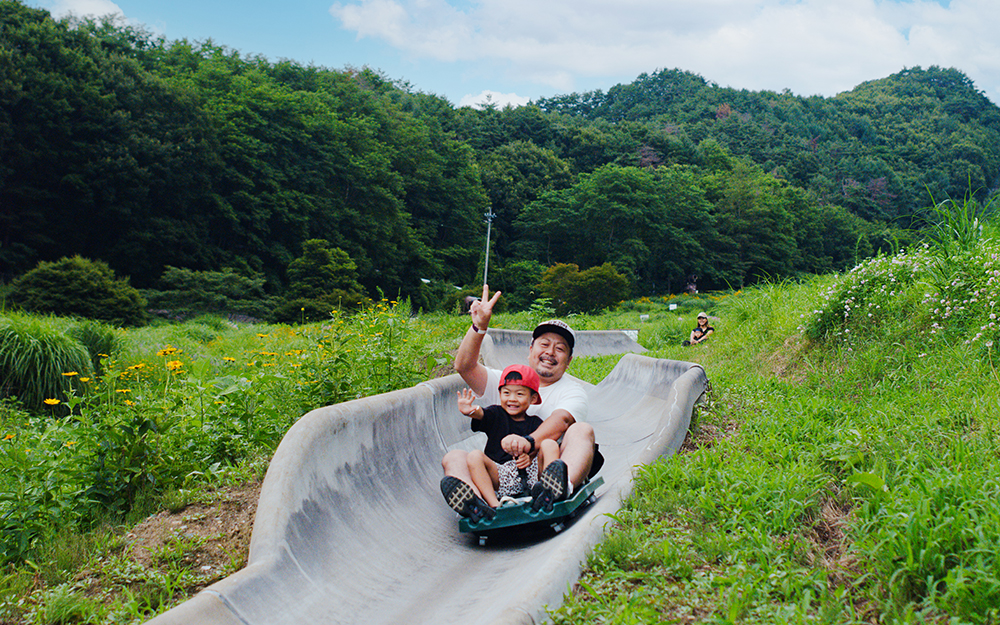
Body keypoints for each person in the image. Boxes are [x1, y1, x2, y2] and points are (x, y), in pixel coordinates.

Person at [440, 284, 600, 517]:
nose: (550, 352)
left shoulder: (572, 392)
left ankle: (556, 490)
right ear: (531, 349)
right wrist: (478, 327)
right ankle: (477, 505)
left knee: (582, 431)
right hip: (503, 473)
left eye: (560, 349)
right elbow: (464, 366)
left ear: (569, 360)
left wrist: (527, 442)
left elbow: (562, 419)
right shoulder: (510, 383)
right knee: (453, 457)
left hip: (544, 467)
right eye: (544, 344)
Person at [444, 364, 562, 516]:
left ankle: (549, 492)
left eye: (519, 394)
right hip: (502, 476)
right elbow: (482, 414)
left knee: (549, 443)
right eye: (506, 393)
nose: (512, 399)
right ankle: (493, 507)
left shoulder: (536, 423)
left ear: (532, 398)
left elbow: (539, 449)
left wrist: (530, 456)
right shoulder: (496, 414)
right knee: (474, 455)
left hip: (531, 476)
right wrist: (472, 410)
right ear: (500, 395)